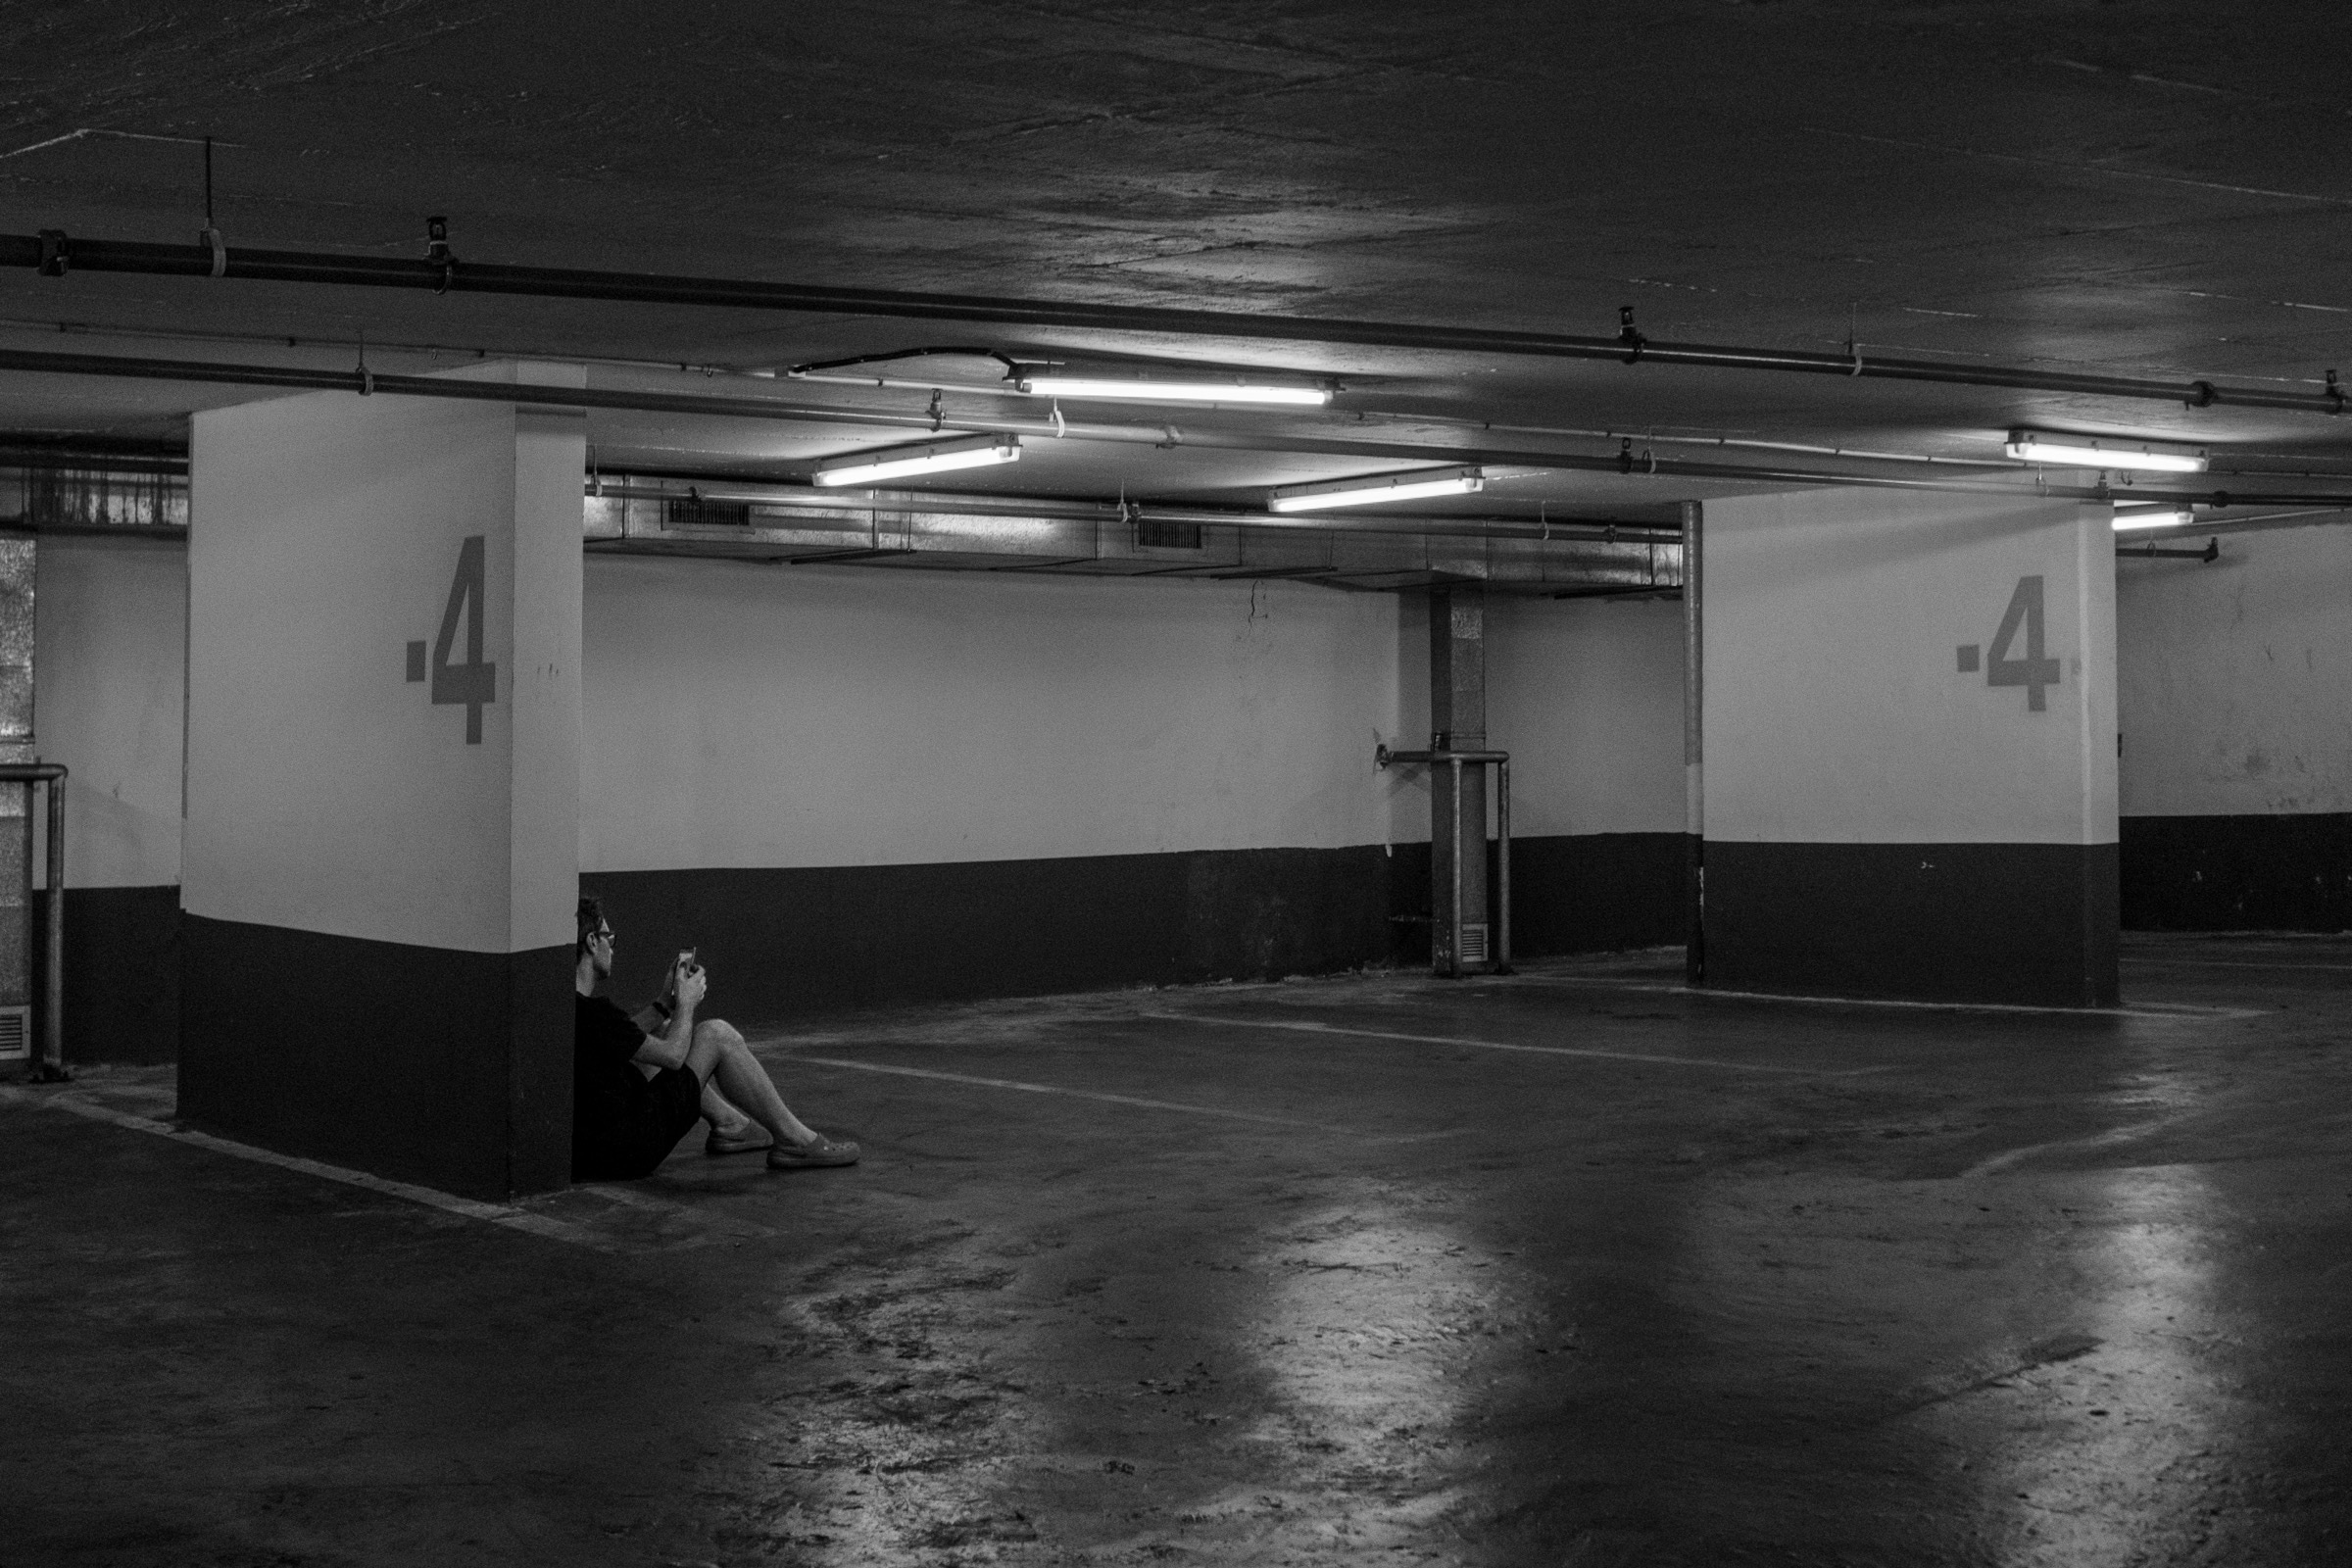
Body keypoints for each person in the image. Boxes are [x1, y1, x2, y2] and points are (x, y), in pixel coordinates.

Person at [572, 896, 858, 1179]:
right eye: (610, 938)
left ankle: (730, 1124)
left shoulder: (570, 1009)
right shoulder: (596, 1013)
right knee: (716, 1034)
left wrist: (664, 1003)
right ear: (592, 942)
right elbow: (672, 1057)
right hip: (627, 1149)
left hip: (593, 1147)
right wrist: (686, 1004)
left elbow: (619, 1037)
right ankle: (795, 1141)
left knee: (659, 1031)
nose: (613, 948)